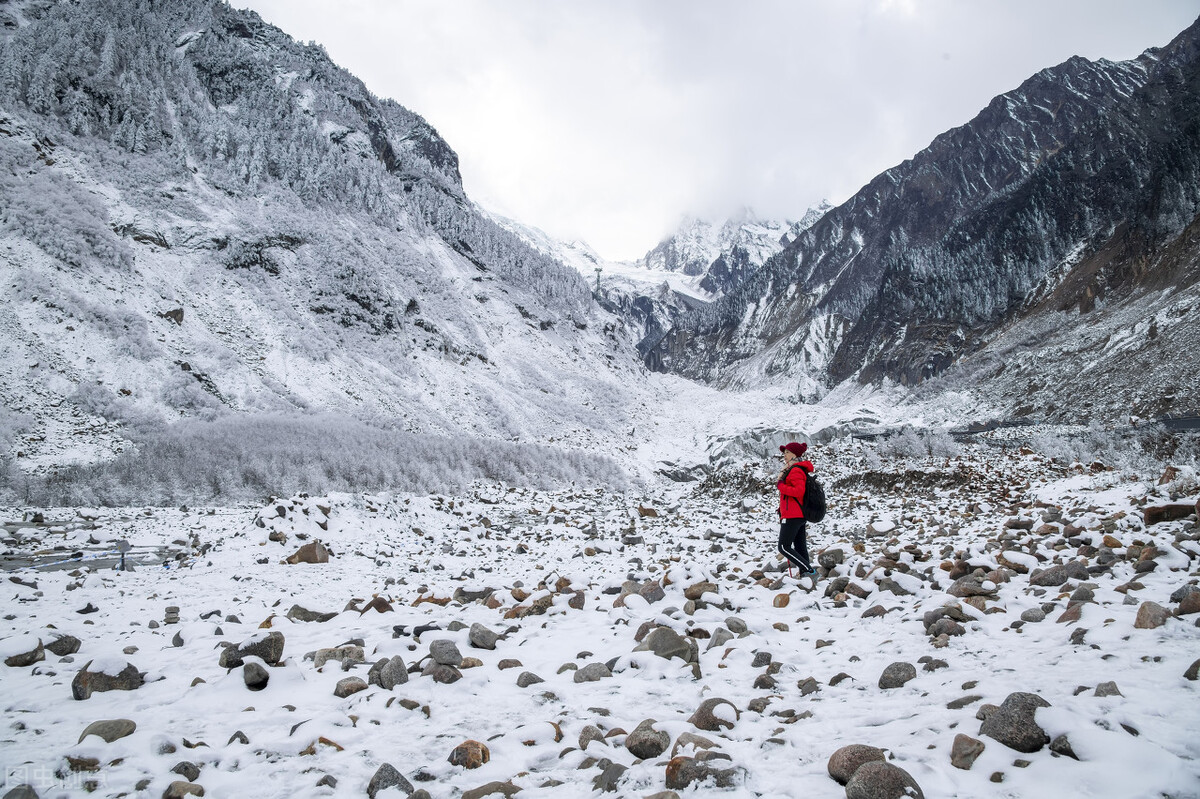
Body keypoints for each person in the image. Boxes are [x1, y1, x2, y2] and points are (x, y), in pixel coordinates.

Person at [777, 441, 815, 575]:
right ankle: (807, 577)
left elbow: (799, 491)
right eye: (784, 452)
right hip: (796, 514)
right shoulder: (794, 470)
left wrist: (780, 485)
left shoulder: (796, 470)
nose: (784, 455)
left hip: (793, 515)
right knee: (800, 547)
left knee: (783, 547)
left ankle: (810, 571)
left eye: (787, 452)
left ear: (795, 454)